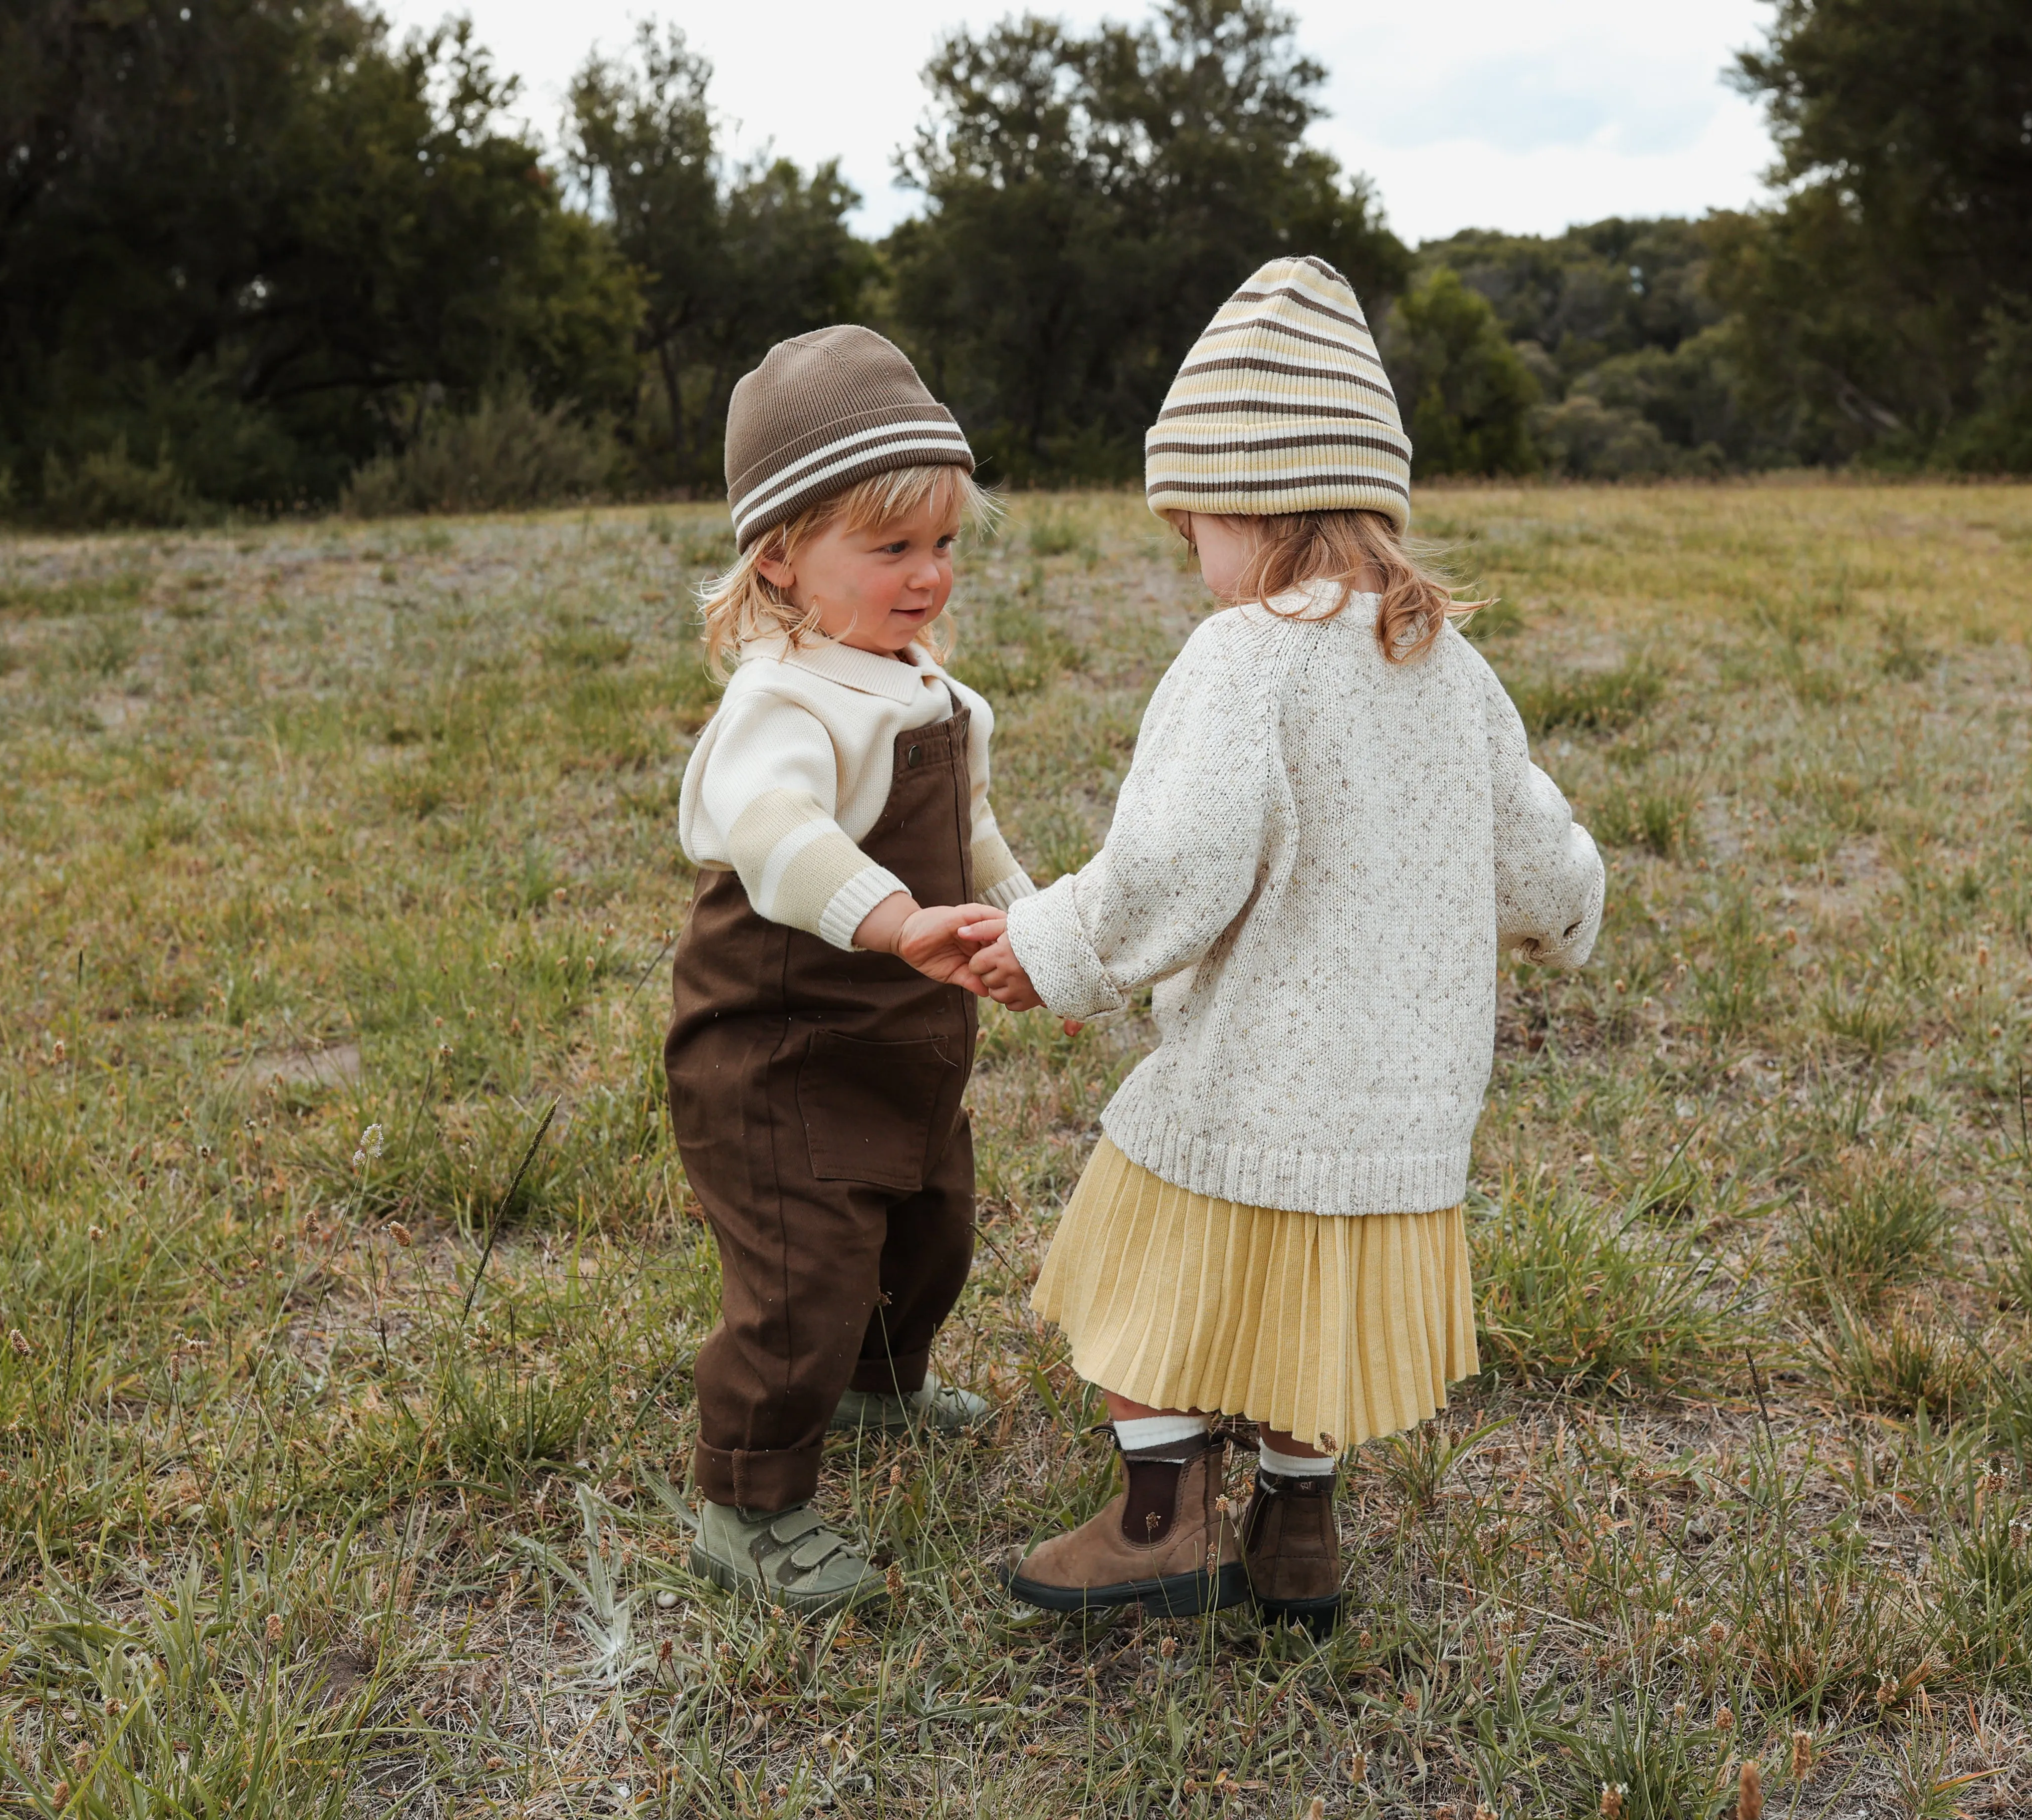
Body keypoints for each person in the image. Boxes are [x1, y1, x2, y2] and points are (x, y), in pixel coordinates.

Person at [963, 256, 1605, 1633]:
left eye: (1186, 523)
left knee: (1148, 1282)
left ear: (1242, 502)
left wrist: (1052, 946)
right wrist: (1573, 910)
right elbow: (1540, 851)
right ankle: (1297, 1532)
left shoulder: (1244, 655)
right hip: (1407, 1114)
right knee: (1318, 1322)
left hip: (1249, 1081)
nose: (1189, 559)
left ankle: (1159, 1523)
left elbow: (1174, 864)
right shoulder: (1450, 663)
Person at [669, 325, 1033, 1615]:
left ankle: (886, 1387)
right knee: (801, 1281)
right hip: (780, 1055)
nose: (929, 576)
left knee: (930, 1231)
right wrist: (891, 922)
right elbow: (776, 838)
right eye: (890, 549)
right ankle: (749, 1504)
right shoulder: (782, 704)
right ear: (779, 554)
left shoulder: (922, 687)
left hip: (903, 1049)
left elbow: (968, 829)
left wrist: (1025, 916)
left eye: (942, 542)